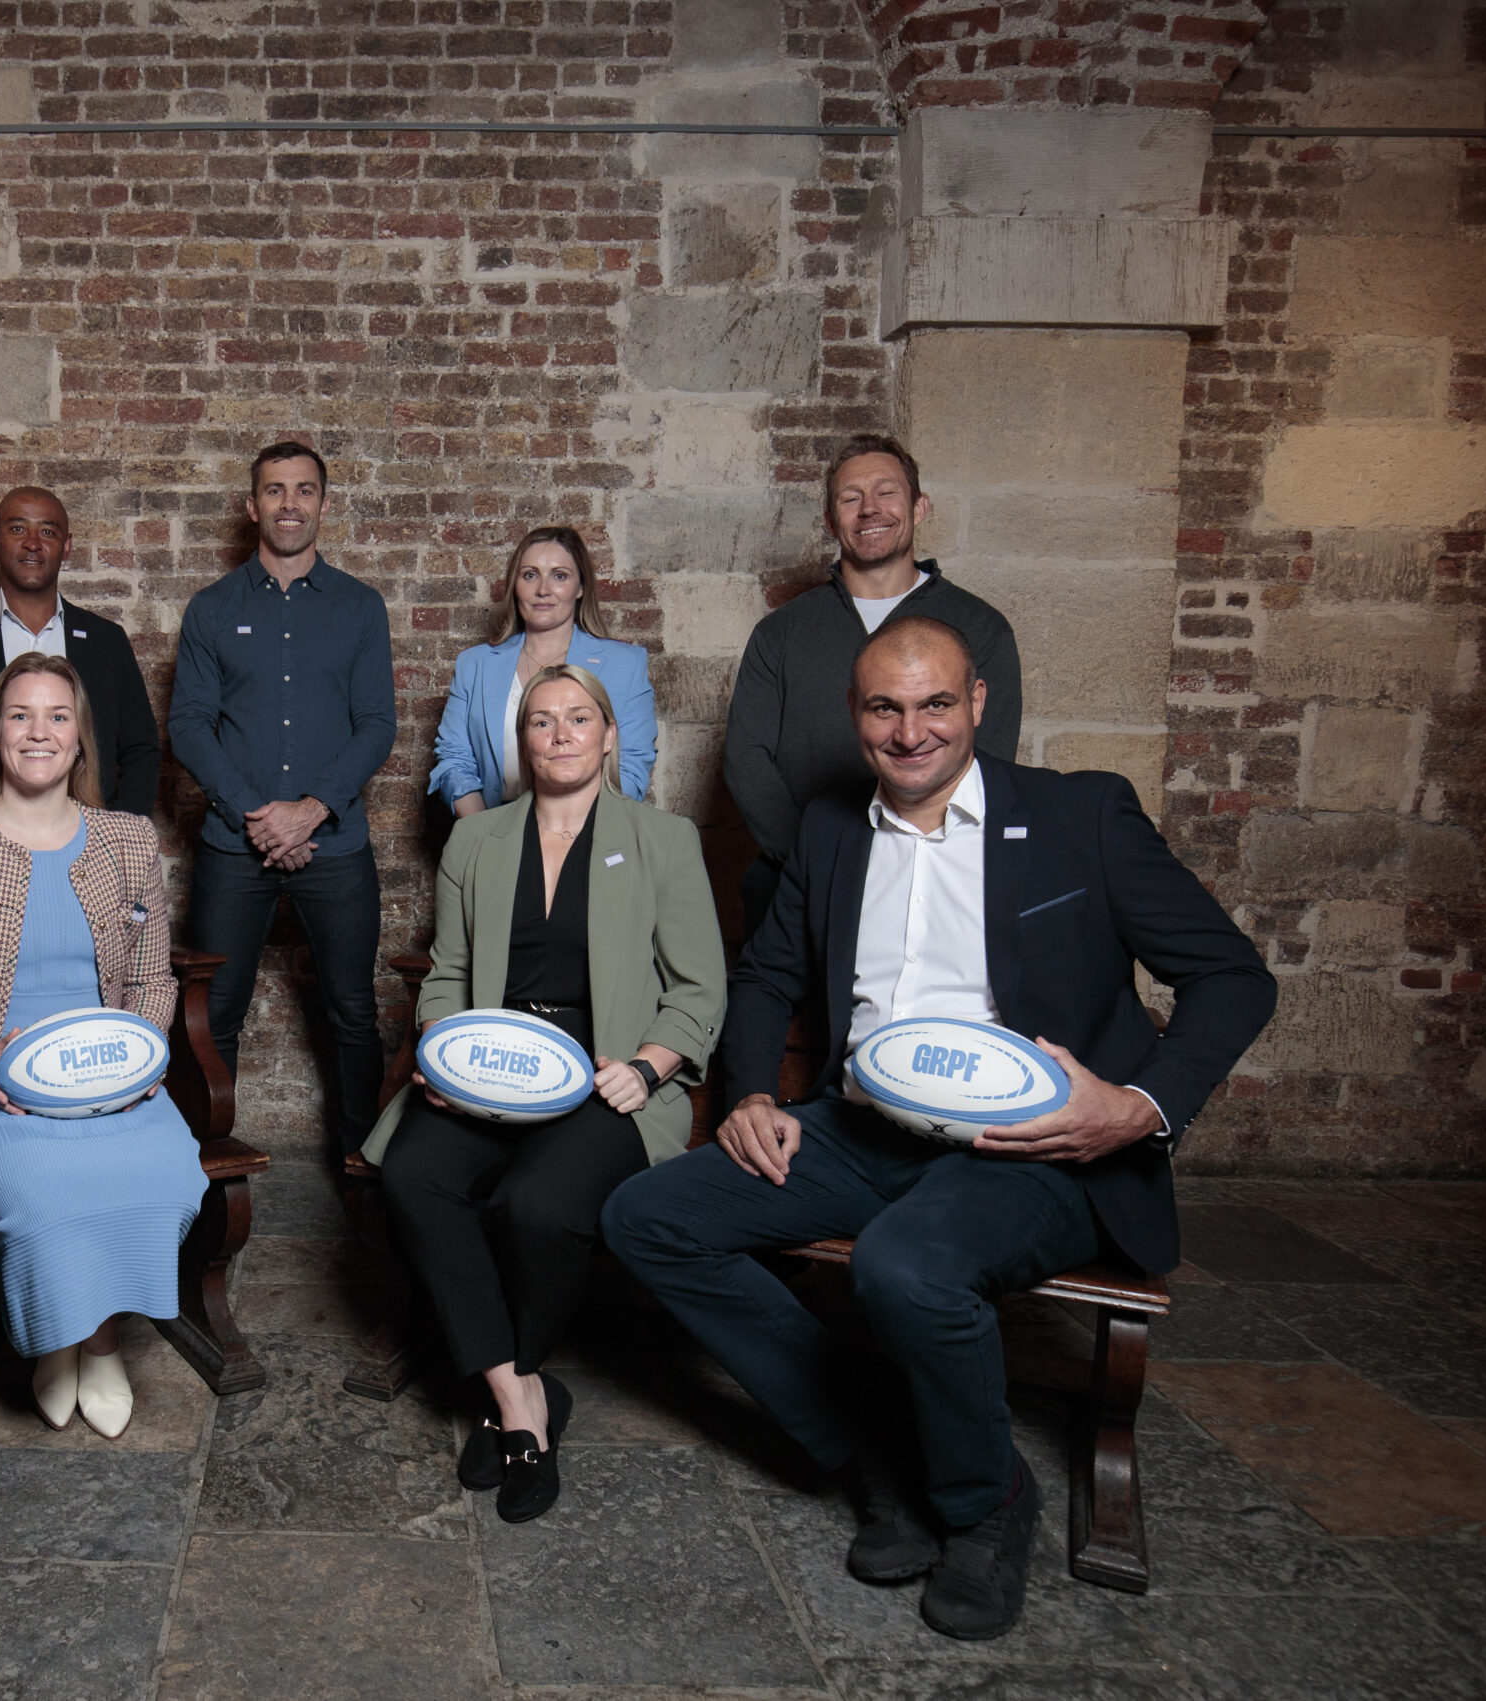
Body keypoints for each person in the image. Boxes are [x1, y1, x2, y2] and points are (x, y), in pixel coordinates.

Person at [603, 615, 1274, 1641]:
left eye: (934, 705)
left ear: (977, 705)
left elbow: (1233, 977)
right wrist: (748, 1095)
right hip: (858, 1128)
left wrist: (1134, 1110)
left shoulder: (1079, 816)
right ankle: (873, 1448)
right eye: (884, 707)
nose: (910, 730)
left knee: (903, 1267)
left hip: (1031, 1148)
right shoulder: (829, 830)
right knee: (649, 1216)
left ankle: (980, 1505)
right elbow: (768, 973)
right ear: (855, 715)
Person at [364, 664, 725, 1524]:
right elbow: (447, 974)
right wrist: (445, 1060)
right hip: (492, 1065)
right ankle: (520, 1394)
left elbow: (700, 989)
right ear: (519, 743)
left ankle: (507, 1386)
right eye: (540, 721)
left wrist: (646, 1066)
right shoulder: (476, 841)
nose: (560, 734)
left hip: (607, 1077)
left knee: (536, 1204)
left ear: (609, 735)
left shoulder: (663, 837)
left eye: (578, 718)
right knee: (414, 1173)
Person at [0, 653, 207, 1438]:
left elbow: (154, 981)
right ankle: (73, 1339)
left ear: (80, 739)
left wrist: (144, 1055)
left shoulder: (129, 840)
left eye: (57, 716)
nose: (39, 731)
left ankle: (91, 1340)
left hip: (110, 1075)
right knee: (43, 1184)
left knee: (168, 1173)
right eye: (20, 715)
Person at [168, 440, 397, 1154]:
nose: (289, 504)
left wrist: (311, 808)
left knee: (353, 1012)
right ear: (251, 506)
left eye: (303, 491)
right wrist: (254, 815)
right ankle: (202, 1178)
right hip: (234, 849)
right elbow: (188, 723)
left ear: (324, 506)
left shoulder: (362, 608)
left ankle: (362, 1169)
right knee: (215, 1016)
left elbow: (377, 724)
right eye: (274, 490)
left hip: (337, 841)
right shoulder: (211, 609)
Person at [721, 434, 1021, 938]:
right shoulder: (782, 632)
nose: (869, 509)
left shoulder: (981, 627)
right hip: (800, 877)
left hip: (940, 876)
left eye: (886, 492)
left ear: (919, 507)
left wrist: (913, 860)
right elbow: (746, 758)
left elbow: (989, 759)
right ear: (829, 520)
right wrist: (813, 858)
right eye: (850, 497)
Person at [0, 486, 163, 820]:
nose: (32, 543)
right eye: (17, 528)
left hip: (87, 840)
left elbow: (140, 750)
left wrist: (114, 832)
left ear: (66, 546)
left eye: (48, 531)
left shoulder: (106, 641)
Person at [432, 525, 658, 814]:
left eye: (559, 576)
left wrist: (573, 837)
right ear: (515, 585)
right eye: (530, 575)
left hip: (591, 831)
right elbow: (454, 760)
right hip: (493, 829)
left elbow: (631, 768)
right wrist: (485, 836)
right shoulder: (474, 665)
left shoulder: (625, 664)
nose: (542, 590)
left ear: (581, 587)